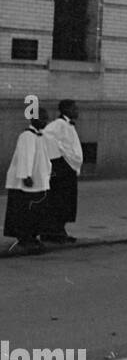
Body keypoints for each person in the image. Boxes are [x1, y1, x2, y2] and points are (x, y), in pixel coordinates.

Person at [4, 105, 51, 255]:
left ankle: (32, 235)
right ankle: (24, 237)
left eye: (46, 119)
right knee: (23, 210)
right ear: (33, 119)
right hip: (25, 181)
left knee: (35, 210)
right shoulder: (27, 136)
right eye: (42, 118)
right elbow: (25, 157)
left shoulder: (41, 136)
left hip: (38, 180)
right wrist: (26, 176)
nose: (45, 121)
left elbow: (43, 157)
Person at [38, 98, 83, 242]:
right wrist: (61, 155)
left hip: (69, 167)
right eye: (74, 108)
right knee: (60, 200)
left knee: (66, 201)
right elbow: (46, 136)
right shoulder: (58, 124)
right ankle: (54, 232)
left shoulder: (67, 125)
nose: (77, 111)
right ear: (67, 110)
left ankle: (59, 230)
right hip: (62, 168)